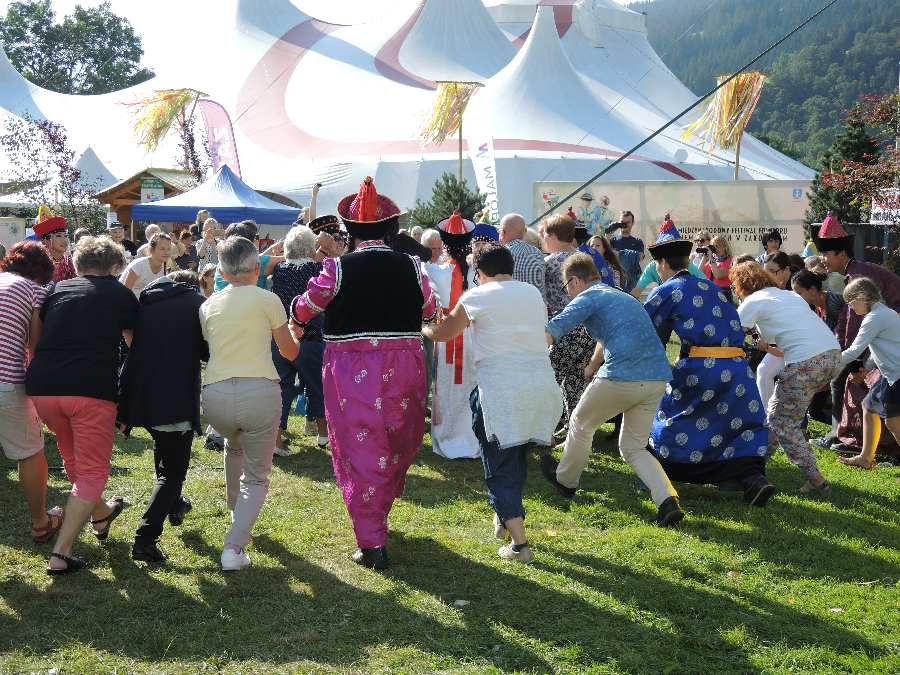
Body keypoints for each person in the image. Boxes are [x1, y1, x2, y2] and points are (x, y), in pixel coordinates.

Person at [291, 177, 438, 570]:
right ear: (390, 230)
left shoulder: (337, 268)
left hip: (351, 367)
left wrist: (297, 319)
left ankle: (372, 540)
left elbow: (308, 305)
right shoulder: (413, 266)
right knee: (397, 439)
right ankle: (378, 514)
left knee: (361, 446)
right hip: (404, 365)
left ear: (350, 230)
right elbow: (430, 310)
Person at [424, 242, 562, 563]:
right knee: (515, 457)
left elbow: (444, 333)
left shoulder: (477, 295)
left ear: (480, 271)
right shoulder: (532, 293)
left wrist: (424, 327)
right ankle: (504, 515)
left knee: (498, 465)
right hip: (539, 385)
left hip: (500, 390)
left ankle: (519, 545)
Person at [541, 253, 684, 525]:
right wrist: (593, 365)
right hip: (656, 378)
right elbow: (606, 338)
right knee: (633, 447)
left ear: (575, 281)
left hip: (622, 375)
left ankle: (565, 481)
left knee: (581, 422)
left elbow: (551, 331)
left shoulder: (588, 297)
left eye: (566, 286)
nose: (568, 293)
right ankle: (668, 499)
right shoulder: (620, 296)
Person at [642, 221, 775, 507]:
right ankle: (752, 480)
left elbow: (648, 334)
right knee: (737, 427)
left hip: (701, 369)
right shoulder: (713, 287)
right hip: (738, 369)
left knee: (671, 418)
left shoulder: (667, 290)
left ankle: (658, 474)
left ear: (662, 264)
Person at [26, 235, 138, 574]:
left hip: (44, 388)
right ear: (115, 266)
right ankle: (61, 554)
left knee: (74, 457)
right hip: (90, 389)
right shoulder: (120, 294)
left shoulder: (56, 291)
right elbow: (135, 346)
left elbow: (35, 341)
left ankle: (101, 512)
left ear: (78, 264)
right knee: (92, 471)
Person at [199, 236, 300, 571]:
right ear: (257, 268)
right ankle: (234, 546)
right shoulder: (268, 299)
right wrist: (296, 334)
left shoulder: (208, 305)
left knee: (234, 446)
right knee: (256, 476)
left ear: (223, 272)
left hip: (215, 395)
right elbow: (290, 352)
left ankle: (236, 516)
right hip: (259, 391)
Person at [117, 270, 208, 563]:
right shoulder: (196, 304)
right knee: (173, 472)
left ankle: (175, 503)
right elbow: (207, 351)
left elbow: (129, 338)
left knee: (165, 450)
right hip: (174, 397)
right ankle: (145, 539)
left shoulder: (145, 303)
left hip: (142, 397)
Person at [732, 262, 841, 494]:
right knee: (777, 415)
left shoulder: (753, 301)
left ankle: (817, 479)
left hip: (805, 362)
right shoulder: (790, 296)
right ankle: (753, 468)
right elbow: (782, 334)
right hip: (831, 355)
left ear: (742, 286)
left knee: (782, 421)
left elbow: (732, 333)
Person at [811, 212, 900, 450]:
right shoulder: (854, 273)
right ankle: (852, 441)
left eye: (826, 254)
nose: (823, 259)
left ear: (841, 253)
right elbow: (847, 319)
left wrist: (846, 359)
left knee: (848, 378)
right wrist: (839, 348)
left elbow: (855, 325)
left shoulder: (859, 277)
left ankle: (849, 437)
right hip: (885, 340)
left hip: (890, 346)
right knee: (865, 398)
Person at [0, 242, 63, 544]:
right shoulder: (35, 291)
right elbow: (33, 346)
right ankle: (41, 522)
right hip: (6, 381)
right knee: (30, 454)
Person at [270, 223, 328, 454]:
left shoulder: (279, 270)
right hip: (310, 336)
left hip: (281, 335)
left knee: (281, 387)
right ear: (310, 247)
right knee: (317, 386)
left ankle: (276, 440)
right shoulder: (318, 269)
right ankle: (323, 435)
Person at [430, 211, 481, 459]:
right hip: (472, 333)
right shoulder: (477, 273)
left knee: (446, 385)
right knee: (472, 383)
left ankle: (447, 435)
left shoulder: (433, 271)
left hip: (446, 333)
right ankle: (472, 436)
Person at [835, 278, 900, 469]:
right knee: (869, 406)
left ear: (863, 297)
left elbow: (854, 351)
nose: (851, 307)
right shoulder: (882, 313)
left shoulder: (874, 318)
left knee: (893, 422)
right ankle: (865, 458)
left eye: (852, 302)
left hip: (897, 374)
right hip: (890, 375)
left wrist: (825, 362)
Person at [542, 214, 598, 426]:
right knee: (576, 383)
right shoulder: (584, 259)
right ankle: (576, 428)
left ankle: (546, 427)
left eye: (544, 235)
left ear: (552, 236)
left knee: (550, 380)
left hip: (561, 328)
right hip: (587, 329)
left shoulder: (548, 263)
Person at [754, 251, 796, 413]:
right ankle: (768, 417)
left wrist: (768, 347)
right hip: (781, 345)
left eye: (772, 271)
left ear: (786, 270)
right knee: (763, 371)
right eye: (766, 271)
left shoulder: (796, 288)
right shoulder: (768, 290)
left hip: (799, 347)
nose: (768, 276)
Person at [212, 222, 284, 292]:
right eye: (254, 238)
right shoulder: (257, 263)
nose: (256, 240)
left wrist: (270, 249)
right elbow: (288, 259)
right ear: (249, 243)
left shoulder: (223, 263)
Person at [499, 213, 546, 299]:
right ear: (525, 231)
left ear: (502, 232)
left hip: (513, 303)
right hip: (538, 304)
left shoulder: (502, 254)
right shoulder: (537, 252)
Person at [119, 232, 175, 297]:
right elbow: (125, 294)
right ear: (152, 250)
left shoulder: (165, 270)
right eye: (162, 249)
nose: (167, 252)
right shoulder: (139, 265)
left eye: (169, 249)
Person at [34, 213, 75, 287]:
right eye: (58, 236)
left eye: (66, 236)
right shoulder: (38, 263)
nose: (64, 240)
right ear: (45, 241)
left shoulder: (69, 262)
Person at [702, 235, 734, 302]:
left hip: (724, 293)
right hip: (710, 292)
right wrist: (704, 257)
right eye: (714, 247)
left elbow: (718, 275)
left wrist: (711, 258)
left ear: (724, 247)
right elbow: (698, 273)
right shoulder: (712, 261)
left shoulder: (730, 260)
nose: (715, 249)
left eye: (718, 246)